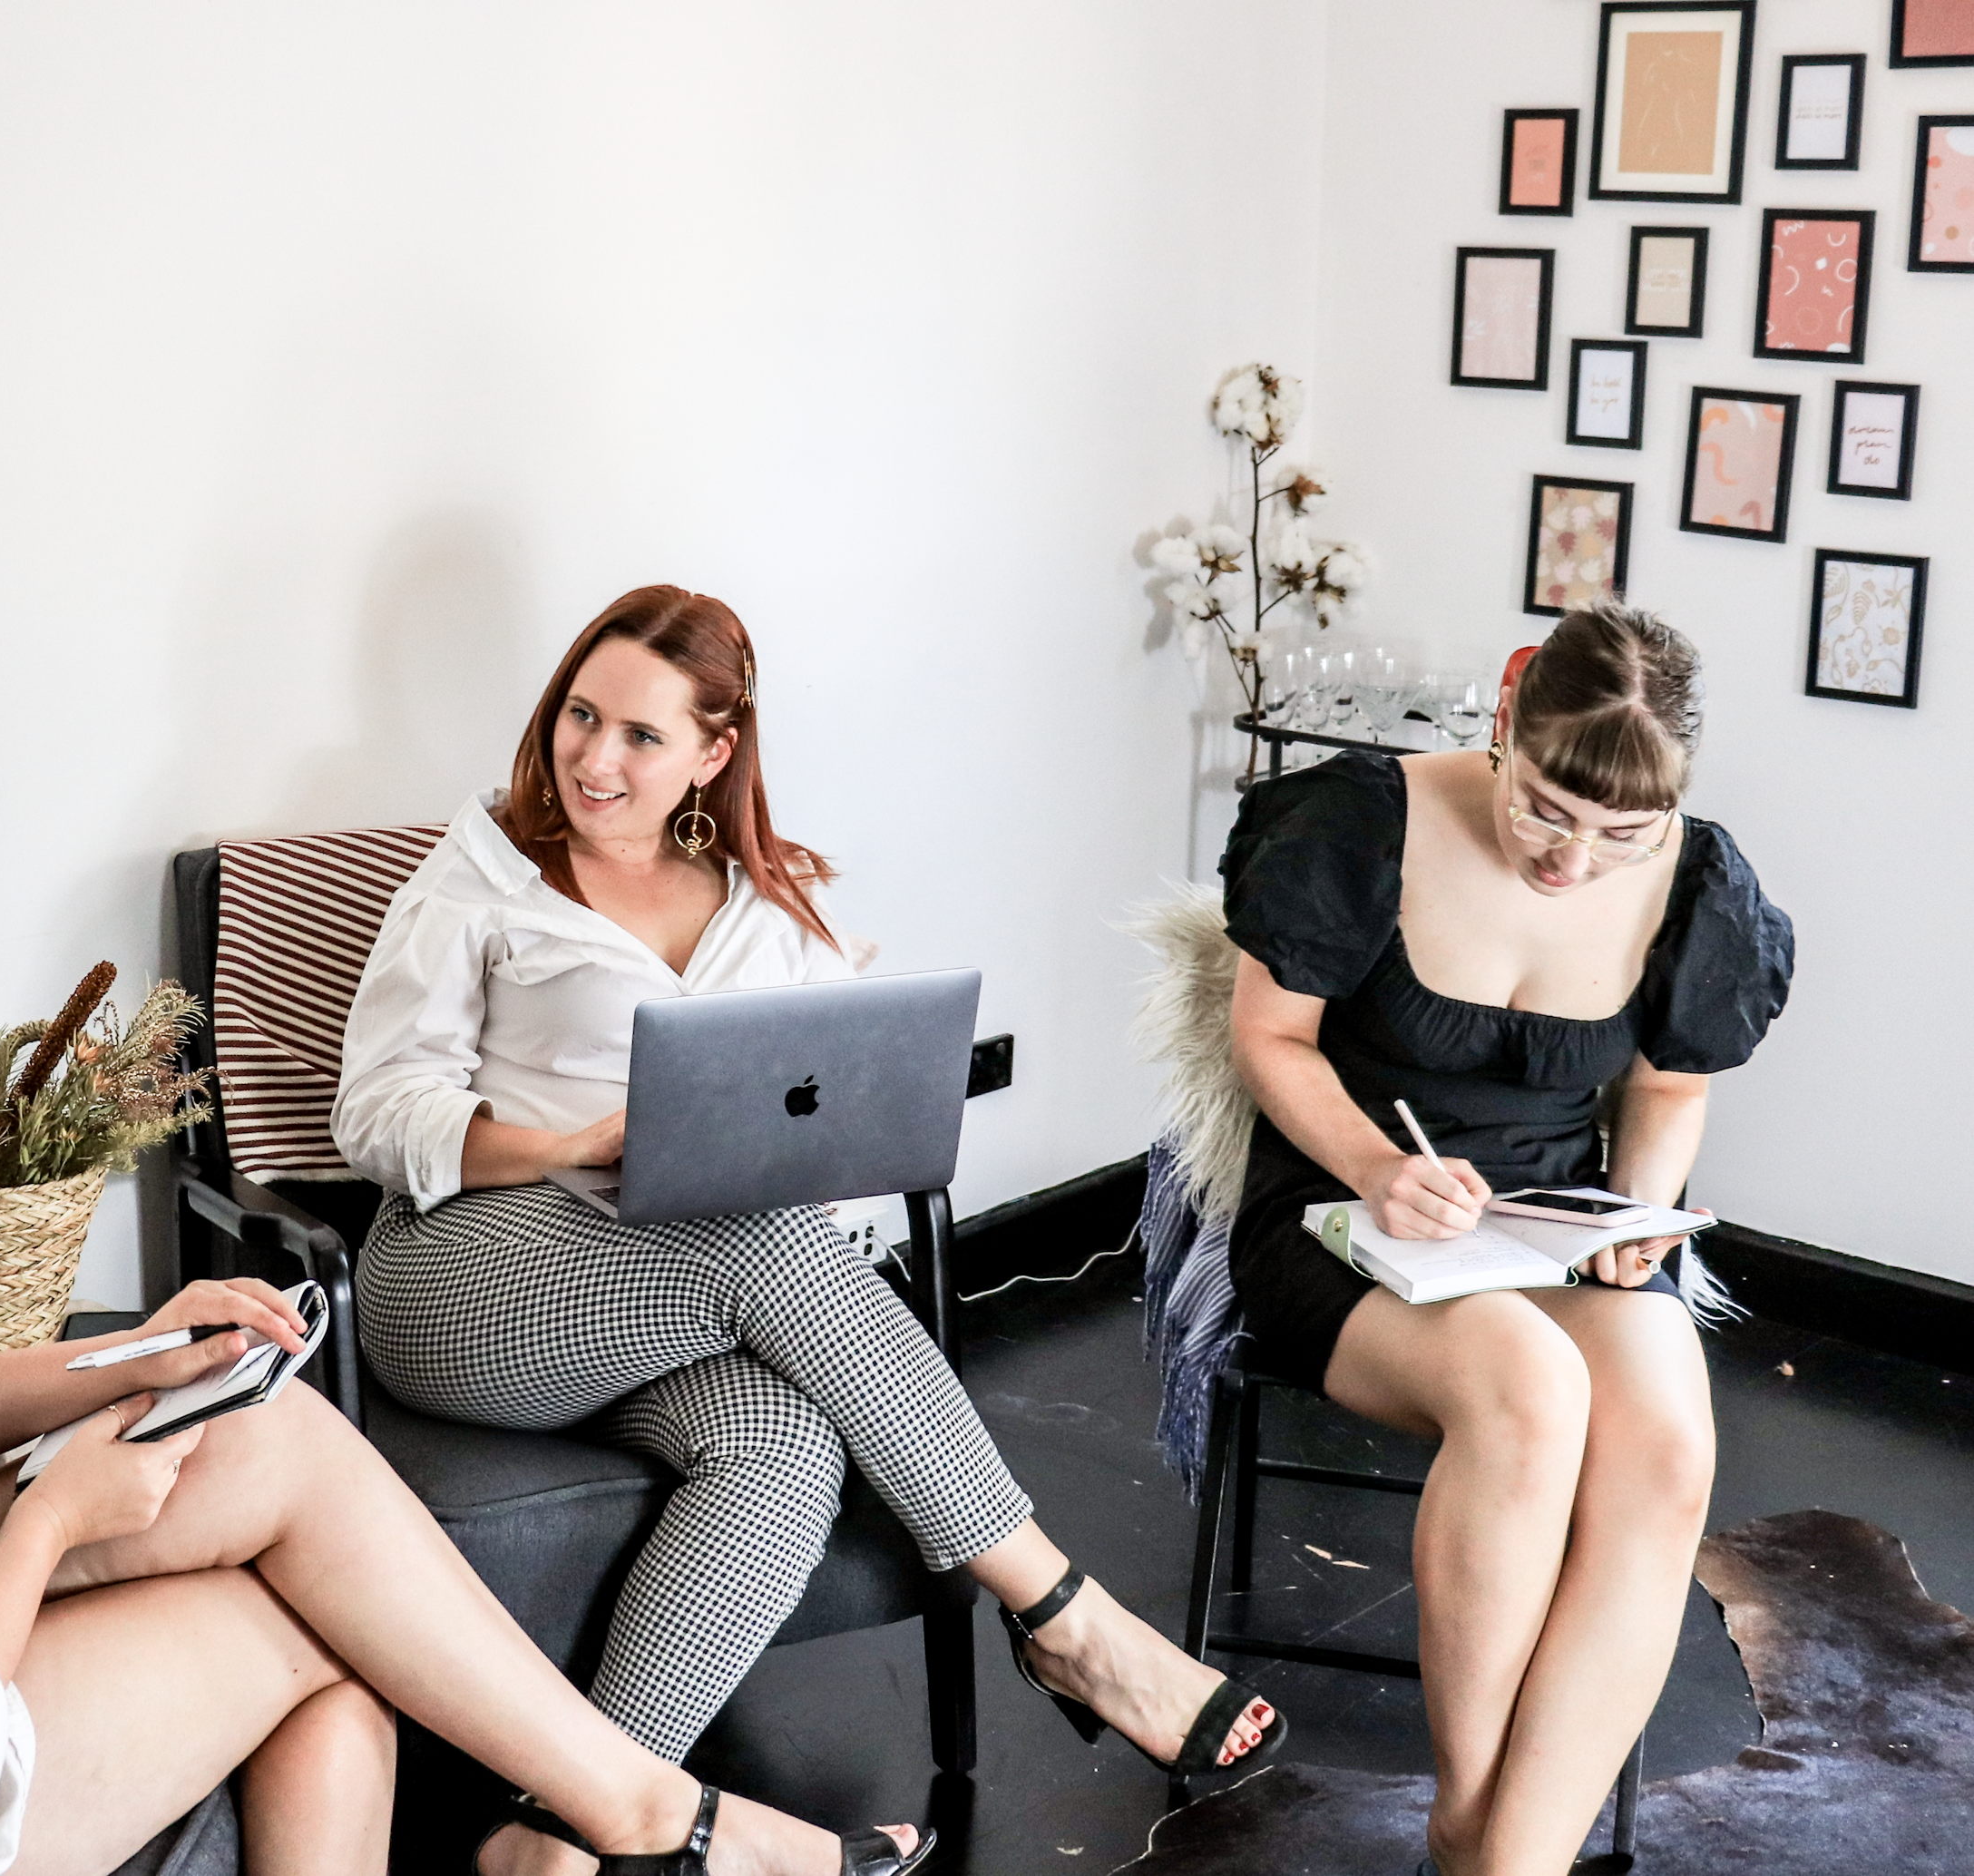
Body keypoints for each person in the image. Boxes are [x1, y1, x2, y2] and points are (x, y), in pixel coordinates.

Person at [0, 718, 933, 1876]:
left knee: (272, 1436)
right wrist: (54, 1524)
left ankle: (631, 1809)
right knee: (325, 1637)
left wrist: (134, 1353)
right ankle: (652, 1813)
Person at [337, 585, 1284, 1876]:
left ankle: (562, 1835)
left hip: (665, 1300)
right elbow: (377, 1114)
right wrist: (572, 1141)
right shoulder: (482, 880)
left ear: (715, 754)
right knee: (762, 1249)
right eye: (581, 716)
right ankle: (1069, 1621)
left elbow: (814, 1123)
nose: (595, 759)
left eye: (640, 737)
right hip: (463, 1279)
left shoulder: (769, 908)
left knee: (782, 1443)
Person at [1221, 602, 1793, 1876]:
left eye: (1619, 836)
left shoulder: (1698, 881)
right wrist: (1379, 1166)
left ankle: (1511, 1860)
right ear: (1507, 713)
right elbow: (1270, 1042)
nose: (1570, 863)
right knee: (1530, 1394)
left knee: (1666, 1445)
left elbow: (1667, 1088)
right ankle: (1471, 1819)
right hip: (1341, 1216)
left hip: (1550, 1228)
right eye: (1544, 809)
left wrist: (1638, 1220)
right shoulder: (1360, 823)